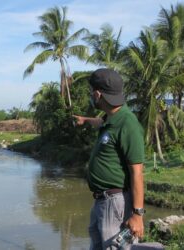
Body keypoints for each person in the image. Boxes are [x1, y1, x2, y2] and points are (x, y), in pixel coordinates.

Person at [74, 68, 145, 250]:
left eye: (92, 92)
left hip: (115, 203)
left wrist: (137, 214)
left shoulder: (127, 122)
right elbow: (101, 123)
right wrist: (85, 120)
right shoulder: (111, 118)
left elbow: (137, 172)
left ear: (98, 94)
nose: (92, 96)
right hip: (101, 201)